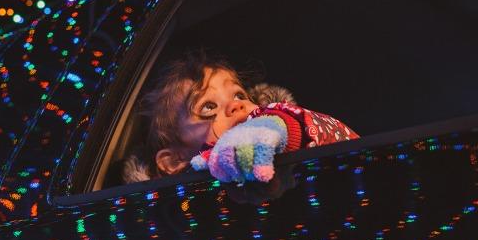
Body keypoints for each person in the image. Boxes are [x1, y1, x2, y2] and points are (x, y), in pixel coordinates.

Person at [123, 53, 359, 184]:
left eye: (238, 94)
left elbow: (319, 133)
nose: (236, 105)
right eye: (208, 107)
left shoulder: (280, 125)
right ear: (174, 161)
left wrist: (277, 127)